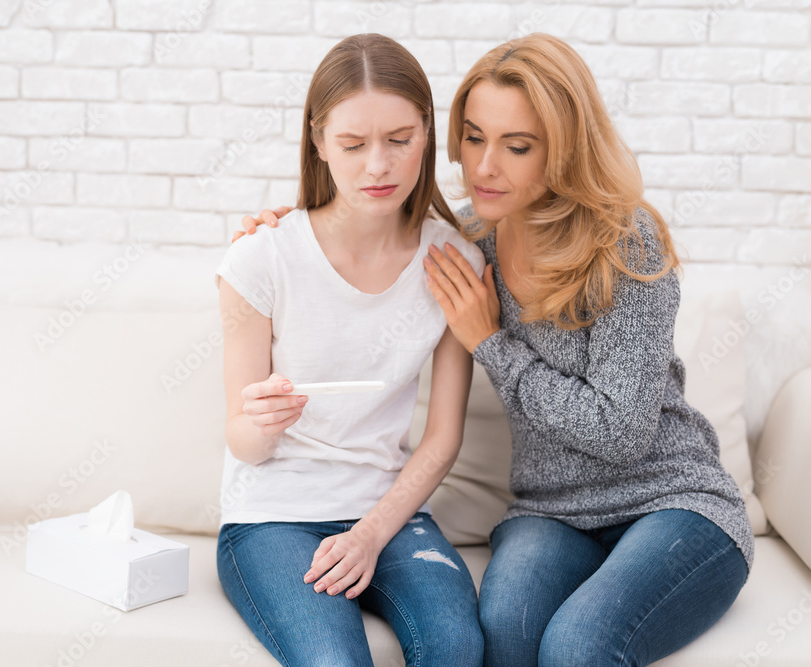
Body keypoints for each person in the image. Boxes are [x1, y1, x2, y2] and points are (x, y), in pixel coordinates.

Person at [233, 32, 754, 667]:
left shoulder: (625, 242)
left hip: (670, 500)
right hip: (549, 513)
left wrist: (491, 343)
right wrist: (286, 227)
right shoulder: (469, 240)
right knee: (502, 635)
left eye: (518, 147)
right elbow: (371, 219)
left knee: (578, 646)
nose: (483, 167)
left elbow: (621, 433)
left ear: (564, 150)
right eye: (475, 138)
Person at [214, 33, 485, 666]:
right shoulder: (261, 258)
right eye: (353, 144)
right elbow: (241, 441)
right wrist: (262, 423)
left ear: (428, 133)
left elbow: (443, 437)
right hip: (272, 517)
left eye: (400, 139)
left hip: (391, 514)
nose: (378, 166)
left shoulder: (455, 262)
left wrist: (370, 533)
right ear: (318, 141)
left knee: (456, 645)